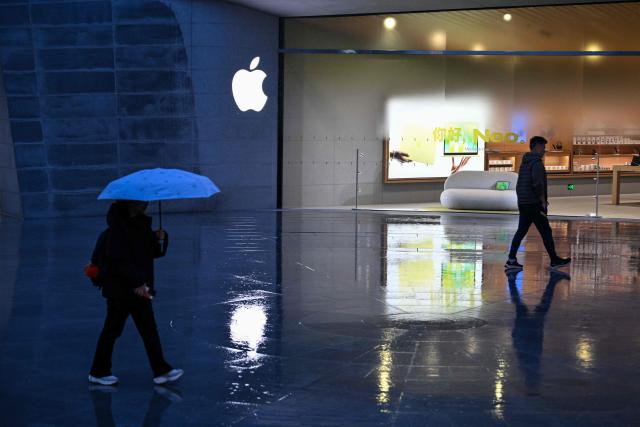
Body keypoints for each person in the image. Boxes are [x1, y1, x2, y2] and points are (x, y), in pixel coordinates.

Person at [89, 200, 183, 386]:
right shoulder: (117, 230)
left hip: (138, 290)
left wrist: (160, 239)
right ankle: (99, 371)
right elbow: (118, 262)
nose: (145, 205)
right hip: (121, 291)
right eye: (140, 202)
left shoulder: (140, 226)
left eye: (145, 202)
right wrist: (138, 281)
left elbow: (152, 254)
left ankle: (161, 370)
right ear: (128, 204)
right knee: (113, 331)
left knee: (147, 330)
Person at [505, 136, 571, 270]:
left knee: (521, 231)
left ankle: (511, 259)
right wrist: (543, 202)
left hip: (524, 203)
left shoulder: (525, 162)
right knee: (546, 231)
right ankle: (554, 260)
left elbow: (521, 184)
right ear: (535, 146)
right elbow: (538, 184)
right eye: (542, 147)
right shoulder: (537, 163)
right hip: (534, 204)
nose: (544, 150)